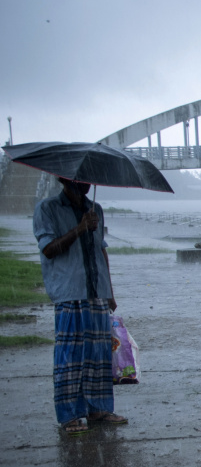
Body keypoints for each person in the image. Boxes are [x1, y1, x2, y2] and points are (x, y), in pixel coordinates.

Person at [33, 178, 127, 433]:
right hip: (69, 293)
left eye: (88, 179)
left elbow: (101, 250)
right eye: (79, 179)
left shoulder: (95, 208)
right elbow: (49, 250)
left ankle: (99, 409)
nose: (85, 183)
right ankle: (69, 416)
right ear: (64, 180)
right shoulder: (47, 208)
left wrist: (110, 291)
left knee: (99, 356)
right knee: (69, 359)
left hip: (96, 292)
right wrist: (80, 227)